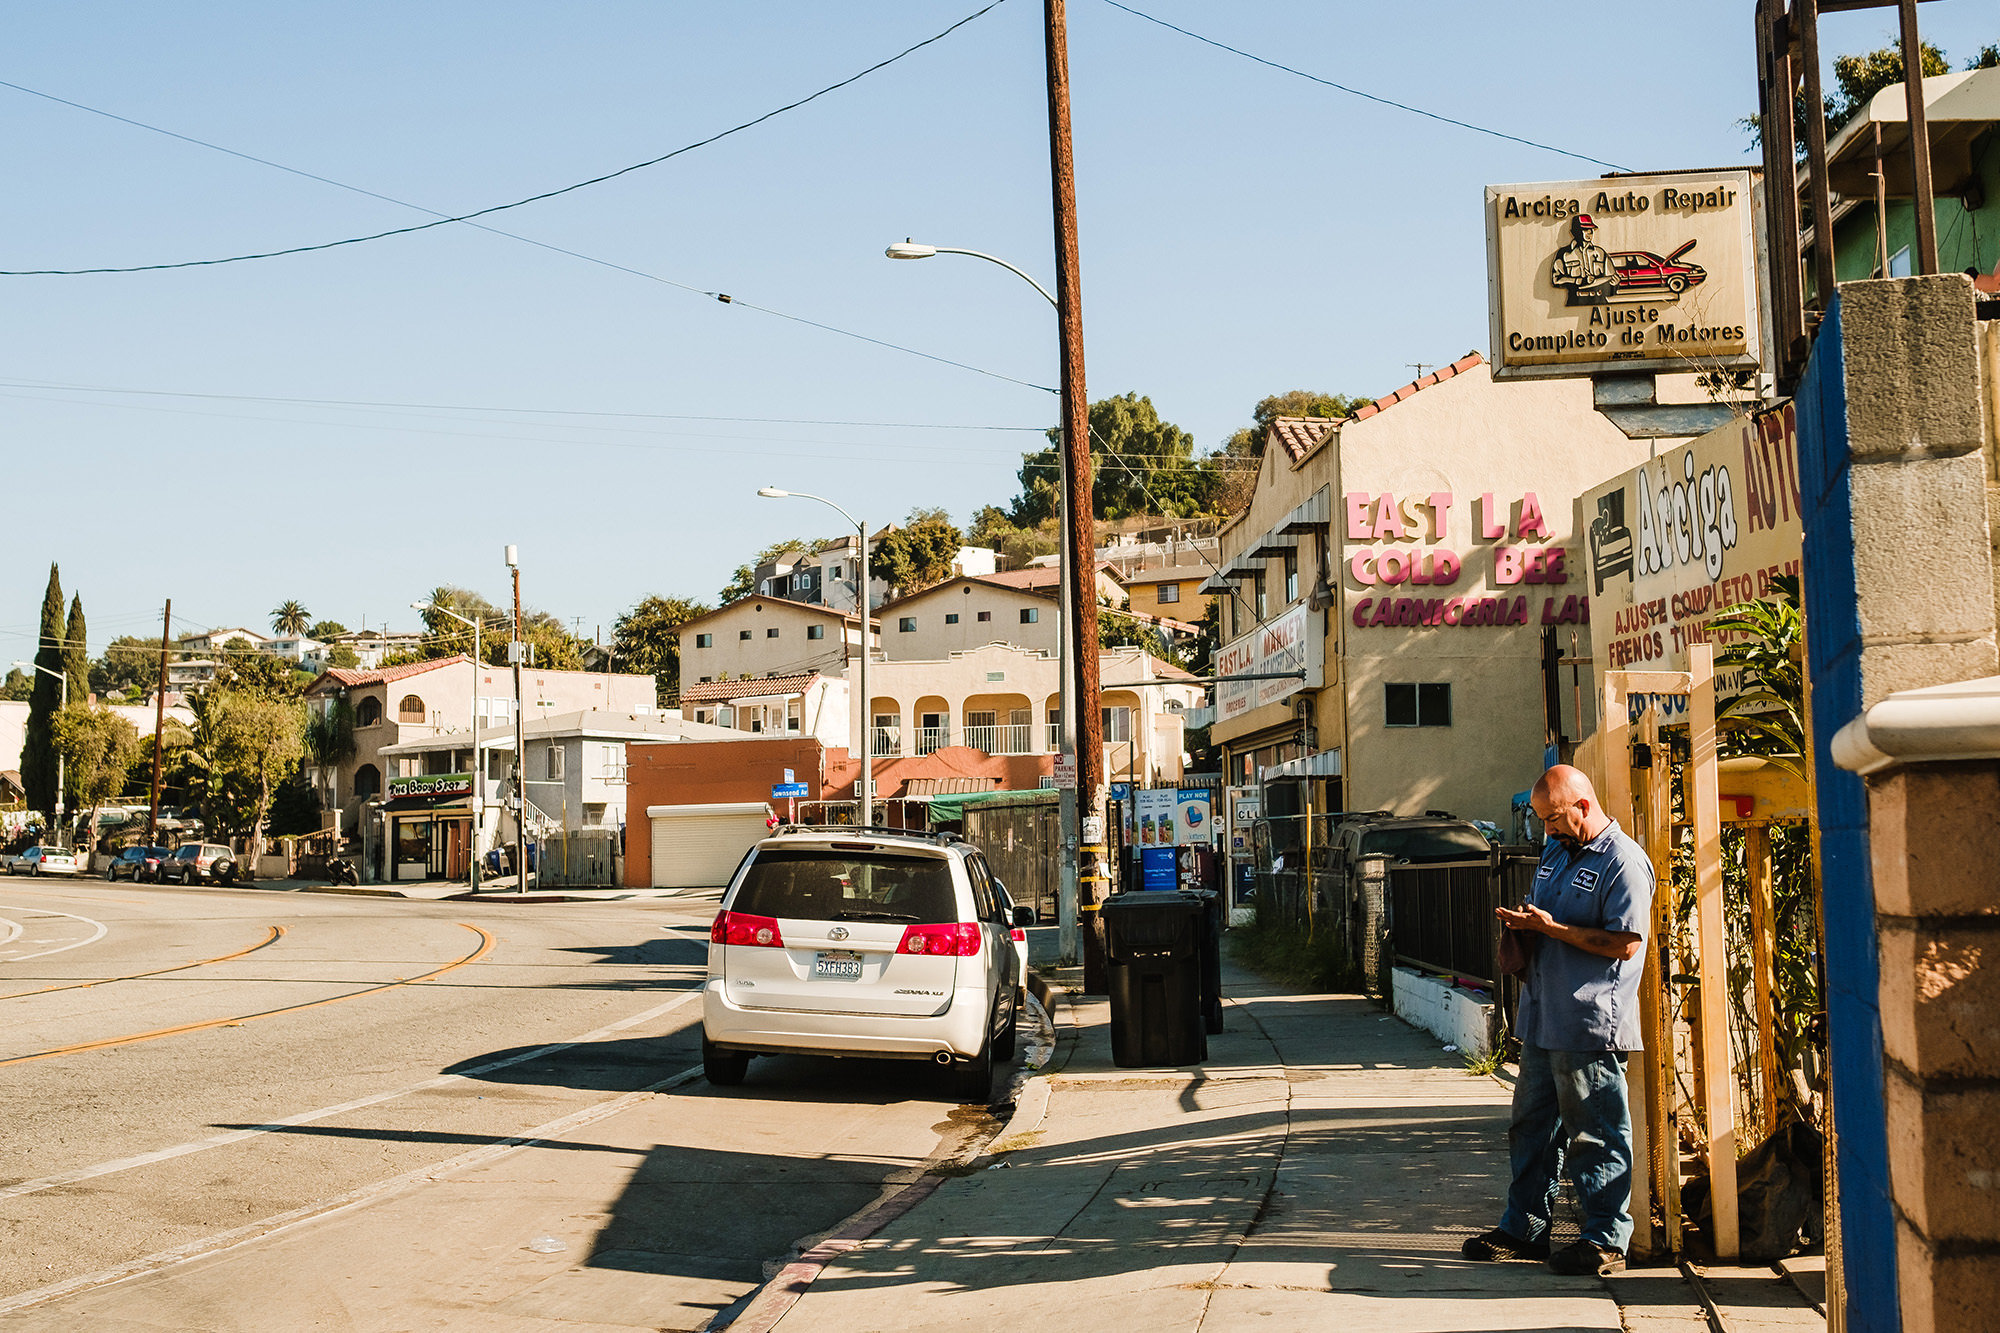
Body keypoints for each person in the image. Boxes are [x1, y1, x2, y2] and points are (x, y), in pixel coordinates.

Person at [1463, 764, 1653, 1276]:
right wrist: (1528, 926)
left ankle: (1607, 1240)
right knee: (1531, 1128)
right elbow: (1547, 915)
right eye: (1542, 819)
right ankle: (1524, 1229)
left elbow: (1627, 943)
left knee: (1595, 1131)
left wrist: (1557, 929)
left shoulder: (1624, 863)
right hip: (1544, 1015)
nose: (1545, 828)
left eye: (1552, 818)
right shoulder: (1556, 851)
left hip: (1589, 1021)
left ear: (1583, 807)